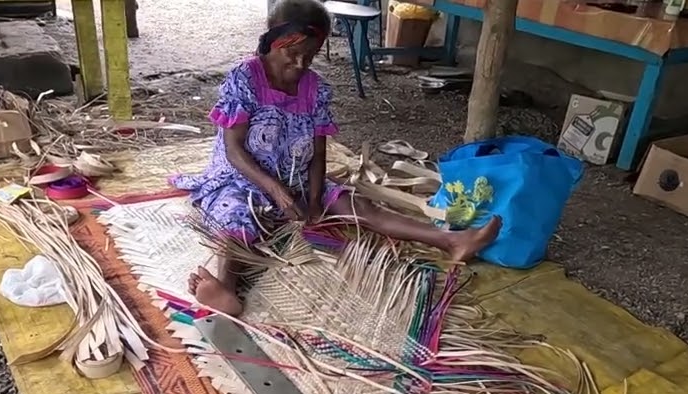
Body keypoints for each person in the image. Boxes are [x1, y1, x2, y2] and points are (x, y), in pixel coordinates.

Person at [172, 0, 501, 315]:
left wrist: (315, 199)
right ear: (272, 36)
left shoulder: (314, 87)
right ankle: (225, 287)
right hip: (241, 178)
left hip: (296, 177)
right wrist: (274, 190)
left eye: (311, 56)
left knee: (359, 206)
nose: (301, 64)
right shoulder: (245, 79)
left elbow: (318, 152)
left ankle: (450, 240)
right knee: (237, 217)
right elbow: (234, 149)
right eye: (292, 52)